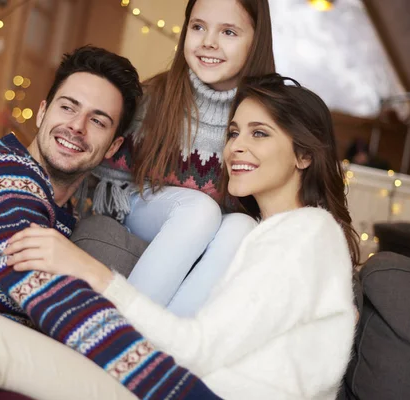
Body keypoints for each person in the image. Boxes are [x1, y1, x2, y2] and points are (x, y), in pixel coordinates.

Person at [0, 74, 360, 399]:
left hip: (187, 392)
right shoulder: (269, 236)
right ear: (42, 109)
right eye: (233, 132)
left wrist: (92, 271)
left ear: (304, 155)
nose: (236, 148)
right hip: (185, 384)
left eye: (259, 133)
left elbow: (197, 349)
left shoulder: (307, 234)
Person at [0, 46, 219, 400]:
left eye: (97, 120)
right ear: (42, 112)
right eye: (67, 107)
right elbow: (51, 297)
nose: (76, 127)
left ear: (112, 146)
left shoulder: (61, 215)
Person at [91, 0, 276, 316]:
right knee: (200, 210)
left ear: (255, 42)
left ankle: (165, 347)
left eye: (228, 31)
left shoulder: (267, 117)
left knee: (243, 227)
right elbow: (110, 187)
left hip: (212, 228)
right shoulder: (154, 97)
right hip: (142, 203)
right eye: (198, 26)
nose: (209, 42)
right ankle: (118, 330)